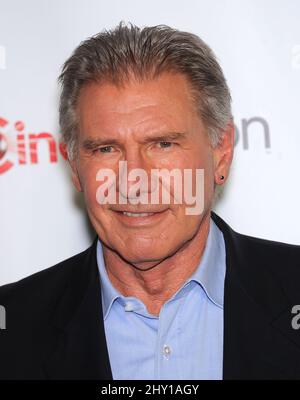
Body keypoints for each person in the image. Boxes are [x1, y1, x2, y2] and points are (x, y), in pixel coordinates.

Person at [1, 22, 300, 380]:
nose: (133, 180)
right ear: (75, 167)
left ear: (220, 152)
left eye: (162, 144)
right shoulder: (13, 328)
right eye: (106, 149)